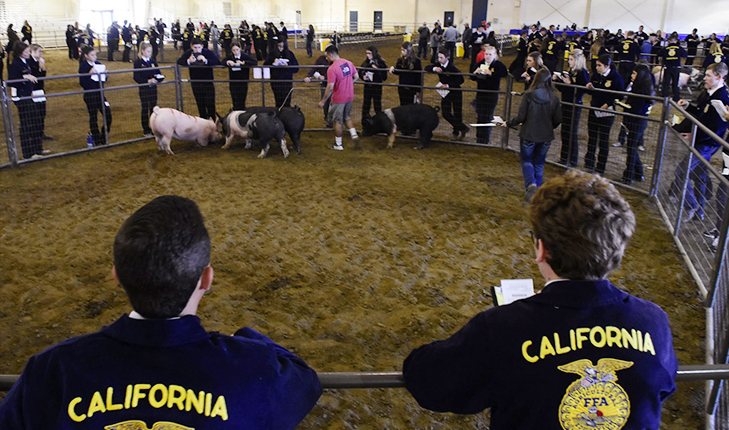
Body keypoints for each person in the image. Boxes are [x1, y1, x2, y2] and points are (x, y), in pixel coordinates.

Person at [0, 195, 322, 428]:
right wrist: (247, 337)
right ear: (206, 279)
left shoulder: (52, 370)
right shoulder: (255, 369)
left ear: (116, 276)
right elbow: (305, 381)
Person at [403, 169, 678, 429]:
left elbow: (430, 381)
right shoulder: (653, 321)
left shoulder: (501, 327)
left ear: (541, 248)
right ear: (618, 248)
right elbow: (661, 388)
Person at [669, 62, 729, 222]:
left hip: (707, 143)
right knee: (700, 175)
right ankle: (700, 210)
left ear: (719, 77)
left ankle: (691, 205)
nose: (705, 78)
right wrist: (689, 106)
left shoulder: (722, 98)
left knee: (682, 172)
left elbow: (716, 128)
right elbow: (701, 115)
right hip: (703, 141)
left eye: (709, 76)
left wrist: (693, 135)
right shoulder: (708, 94)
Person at [504, 68, 562, 201]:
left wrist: (509, 123)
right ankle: (537, 191)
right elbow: (558, 118)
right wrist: (549, 127)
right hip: (546, 136)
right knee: (539, 163)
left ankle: (531, 185)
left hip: (529, 134)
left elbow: (521, 117)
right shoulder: (554, 97)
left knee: (526, 160)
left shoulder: (528, 95)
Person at [585, 54, 624, 175]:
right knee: (592, 137)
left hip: (607, 113)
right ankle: (589, 163)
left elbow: (620, 95)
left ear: (607, 66)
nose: (597, 68)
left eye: (599, 65)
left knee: (603, 139)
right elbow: (592, 88)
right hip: (594, 109)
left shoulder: (616, 78)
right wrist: (589, 87)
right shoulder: (596, 75)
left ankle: (600, 166)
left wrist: (608, 103)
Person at [317, 44, 359, 150]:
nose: (326, 59)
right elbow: (356, 77)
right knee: (347, 117)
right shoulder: (348, 63)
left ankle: (338, 144)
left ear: (331, 55)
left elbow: (330, 87)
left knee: (337, 121)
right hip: (349, 95)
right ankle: (354, 135)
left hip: (339, 98)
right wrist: (348, 84)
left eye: (326, 56)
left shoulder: (332, 69)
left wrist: (323, 101)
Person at [7, 42, 44, 159]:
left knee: (36, 121)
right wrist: (24, 77)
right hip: (21, 97)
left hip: (28, 95)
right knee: (26, 124)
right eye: (26, 52)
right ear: (20, 53)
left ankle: (37, 149)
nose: (28, 53)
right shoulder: (15, 64)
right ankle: (28, 153)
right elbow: (11, 80)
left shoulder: (25, 62)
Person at [619, 64, 653, 184]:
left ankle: (628, 176)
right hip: (638, 122)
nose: (632, 76)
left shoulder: (640, 92)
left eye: (634, 73)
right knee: (631, 148)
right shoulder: (642, 89)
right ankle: (639, 173)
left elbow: (635, 110)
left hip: (636, 123)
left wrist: (627, 122)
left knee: (631, 149)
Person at [555, 49, 590, 167]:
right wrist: (558, 81)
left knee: (571, 132)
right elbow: (565, 90)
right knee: (565, 131)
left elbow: (582, 90)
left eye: (571, 59)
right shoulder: (572, 71)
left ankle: (573, 160)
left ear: (577, 60)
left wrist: (570, 84)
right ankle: (564, 158)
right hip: (566, 103)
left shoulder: (582, 73)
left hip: (575, 105)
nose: (569, 62)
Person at [425, 51, 469, 141]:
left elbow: (461, 79)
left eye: (441, 57)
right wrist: (434, 68)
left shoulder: (452, 68)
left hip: (455, 91)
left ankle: (457, 131)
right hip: (446, 92)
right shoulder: (439, 64)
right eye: (439, 57)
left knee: (457, 112)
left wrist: (448, 85)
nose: (439, 59)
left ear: (447, 57)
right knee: (445, 113)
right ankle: (463, 128)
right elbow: (427, 67)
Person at [471, 45, 507, 144]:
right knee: (480, 115)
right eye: (486, 54)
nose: (487, 56)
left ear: (494, 55)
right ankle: (479, 137)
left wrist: (491, 74)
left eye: (490, 54)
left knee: (487, 115)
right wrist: (475, 73)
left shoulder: (498, 64)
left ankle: (485, 138)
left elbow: (504, 73)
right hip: (480, 93)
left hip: (492, 93)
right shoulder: (480, 63)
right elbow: (472, 76)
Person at [177, 38, 220, 120]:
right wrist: (188, 61)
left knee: (210, 103)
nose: (197, 50)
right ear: (191, 47)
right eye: (195, 47)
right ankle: (203, 122)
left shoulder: (207, 52)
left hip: (208, 82)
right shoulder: (189, 53)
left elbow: (217, 61)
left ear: (202, 46)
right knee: (200, 104)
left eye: (199, 47)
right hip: (195, 83)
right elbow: (179, 61)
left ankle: (212, 122)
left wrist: (206, 60)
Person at [79, 44, 112, 146]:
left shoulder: (98, 64)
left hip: (100, 93)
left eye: (95, 55)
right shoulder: (83, 67)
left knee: (108, 115)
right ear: (86, 56)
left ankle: (103, 136)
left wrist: (105, 75)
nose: (95, 57)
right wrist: (89, 73)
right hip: (90, 94)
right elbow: (83, 83)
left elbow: (103, 81)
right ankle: (97, 139)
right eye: (92, 55)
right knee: (93, 116)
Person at [133, 42, 161, 136]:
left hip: (153, 88)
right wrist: (147, 81)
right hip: (144, 88)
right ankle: (146, 129)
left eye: (151, 51)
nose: (150, 53)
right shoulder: (138, 63)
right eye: (148, 51)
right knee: (145, 107)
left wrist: (159, 78)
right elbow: (136, 77)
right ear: (143, 51)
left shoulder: (153, 61)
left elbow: (158, 72)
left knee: (153, 107)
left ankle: (154, 127)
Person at [264, 40, 299, 108]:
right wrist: (273, 64)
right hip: (276, 81)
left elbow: (296, 68)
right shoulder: (271, 54)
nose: (281, 48)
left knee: (287, 101)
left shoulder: (290, 54)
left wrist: (287, 65)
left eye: (282, 46)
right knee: (278, 100)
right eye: (279, 46)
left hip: (287, 81)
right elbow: (265, 66)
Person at [28, 44, 51, 142]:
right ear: (32, 51)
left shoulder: (39, 61)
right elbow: (35, 76)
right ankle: (35, 133)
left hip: (40, 89)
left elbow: (42, 76)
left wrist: (43, 69)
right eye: (39, 51)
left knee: (42, 112)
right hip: (34, 90)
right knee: (36, 113)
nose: (41, 53)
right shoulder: (30, 62)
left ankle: (40, 132)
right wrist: (40, 68)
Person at [225, 42, 257, 111]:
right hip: (233, 81)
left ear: (240, 49)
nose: (236, 52)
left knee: (242, 99)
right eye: (234, 50)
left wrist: (243, 63)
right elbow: (222, 62)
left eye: (237, 49)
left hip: (243, 81)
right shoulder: (230, 57)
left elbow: (254, 62)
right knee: (235, 99)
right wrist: (228, 62)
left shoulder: (245, 56)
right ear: (231, 50)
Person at [359, 45, 387, 122]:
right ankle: (364, 121)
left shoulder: (381, 63)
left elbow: (384, 77)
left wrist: (377, 69)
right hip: (368, 87)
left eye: (369, 53)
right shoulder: (365, 62)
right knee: (366, 104)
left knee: (377, 105)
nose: (368, 55)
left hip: (377, 87)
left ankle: (379, 122)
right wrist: (363, 76)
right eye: (367, 53)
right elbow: (360, 72)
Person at [389, 42, 422, 106]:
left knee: (411, 106)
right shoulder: (400, 60)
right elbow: (398, 71)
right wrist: (393, 68)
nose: (402, 52)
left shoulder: (416, 61)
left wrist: (418, 90)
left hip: (412, 88)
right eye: (401, 50)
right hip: (402, 87)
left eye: (404, 50)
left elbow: (418, 76)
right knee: (403, 105)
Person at [305, 53, 333, 128]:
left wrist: (325, 77)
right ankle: (328, 122)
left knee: (333, 104)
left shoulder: (335, 61)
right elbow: (314, 67)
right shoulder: (321, 58)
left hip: (333, 85)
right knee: (326, 105)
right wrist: (309, 76)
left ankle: (333, 122)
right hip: (324, 85)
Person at [659, 34, 687, 101]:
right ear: (676, 41)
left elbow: (659, 53)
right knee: (675, 83)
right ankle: (676, 98)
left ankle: (664, 97)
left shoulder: (665, 48)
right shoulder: (679, 48)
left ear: (669, 41)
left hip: (668, 67)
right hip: (676, 67)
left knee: (666, 83)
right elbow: (685, 55)